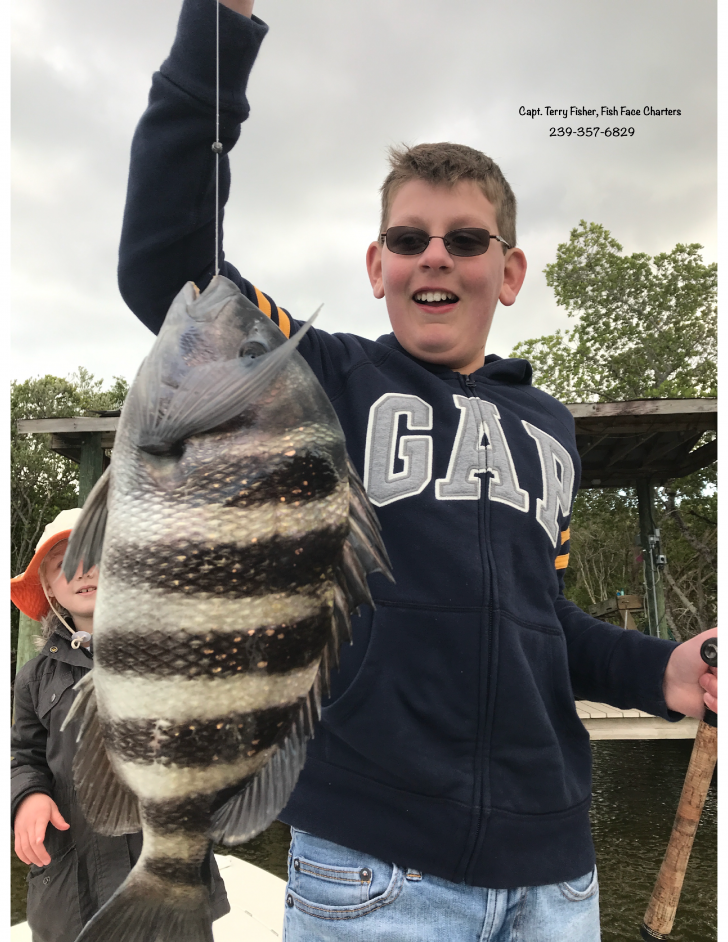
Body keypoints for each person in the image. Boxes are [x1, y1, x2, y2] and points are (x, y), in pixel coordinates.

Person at [117, 2, 718, 939]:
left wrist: (663, 672)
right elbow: (170, 266)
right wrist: (219, 32)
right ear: (377, 264)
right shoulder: (319, 377)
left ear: (508, 271)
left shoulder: (552, 428)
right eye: (409, 238)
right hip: (372, 871)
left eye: (466, 239)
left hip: (557, 877)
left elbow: (543, 624)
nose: (435, 255)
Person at [10, 509, 230, 942]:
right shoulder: (34, 677)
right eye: (63, 563)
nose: (83, 569)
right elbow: (22, 754)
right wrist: (27, 797)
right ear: (50, 588)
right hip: (70, 885)